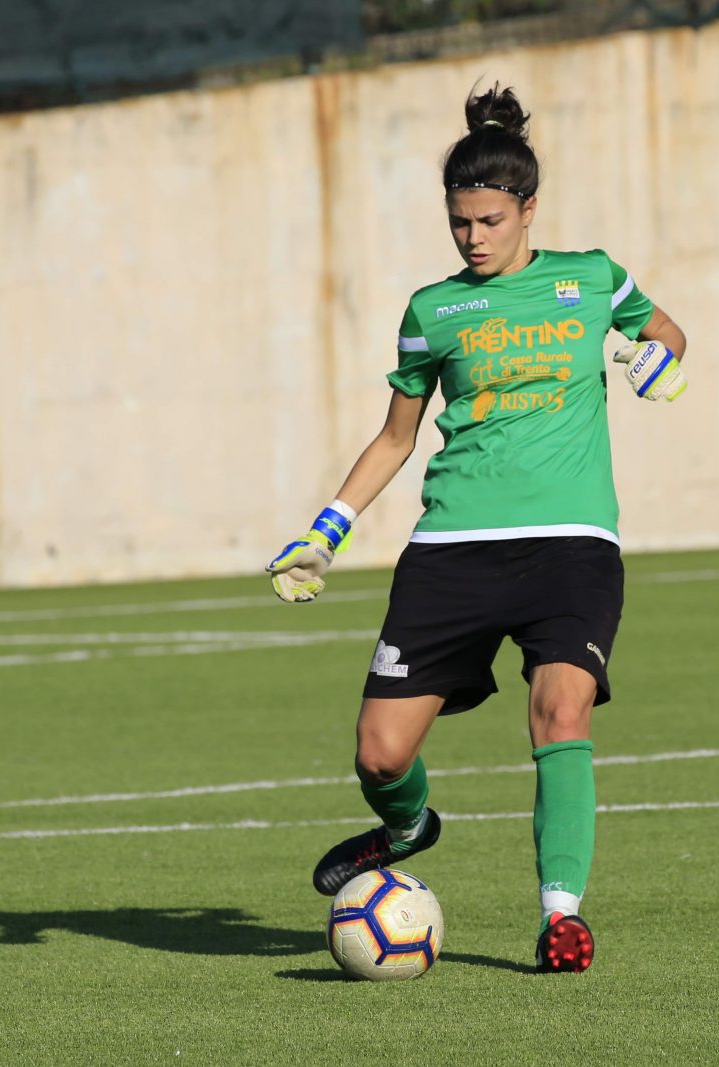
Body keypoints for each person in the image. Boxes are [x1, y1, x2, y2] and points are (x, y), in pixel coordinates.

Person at [265, 83, 688, 974]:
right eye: (460, 223)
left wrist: (655, 358)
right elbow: (394, 438)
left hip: (571, 544)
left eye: (490, 220)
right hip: (452, 548)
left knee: (560, 706)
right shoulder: (433, 311)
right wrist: (326, 531)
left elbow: (667, 332)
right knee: (380, 754)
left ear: (529, 207)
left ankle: (560, 915)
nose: (473, 237)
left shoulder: (592, 279)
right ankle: (410, 826)